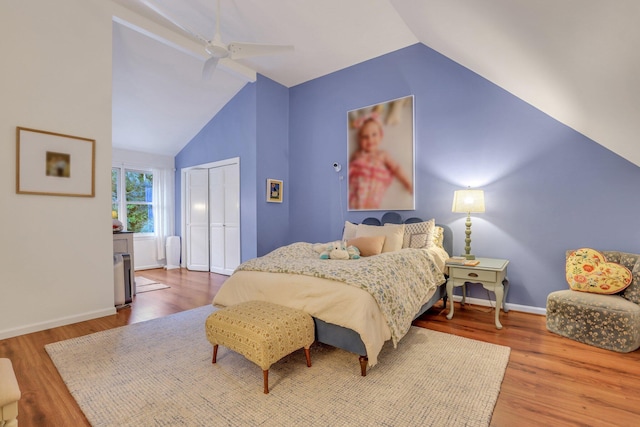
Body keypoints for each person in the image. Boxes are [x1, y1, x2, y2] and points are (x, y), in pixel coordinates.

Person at [348, 117, 413, 209]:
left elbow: (396, 168)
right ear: (359, 139)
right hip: (356, 191)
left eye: (374, 135)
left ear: (381, 136)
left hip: (374, 191)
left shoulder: (382, 155)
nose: (370, 139)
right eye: (365, 137)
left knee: (370, 209)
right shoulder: (357, 154)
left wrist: (408, 183)